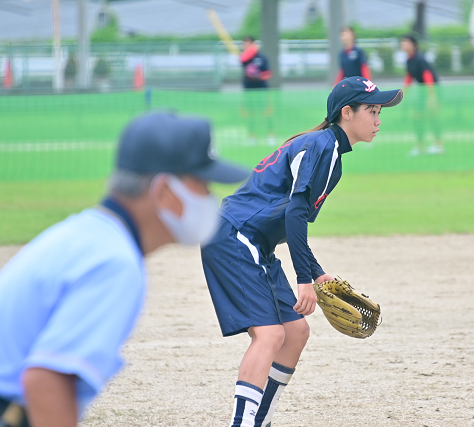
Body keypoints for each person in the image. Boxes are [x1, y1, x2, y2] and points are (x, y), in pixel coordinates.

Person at [0, 112, 248, 427]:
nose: (210, 197)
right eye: (201, 184)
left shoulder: (89, 233)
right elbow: (46, 380)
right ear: (164, 193)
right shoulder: (115, 263)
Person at [200, 76, 402, 427]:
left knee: (295, 332)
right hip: (235, 236)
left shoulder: (328, 150)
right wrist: (304, 279)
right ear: (347, 113)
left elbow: (290, 218)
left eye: (379, 111)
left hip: (254, 242)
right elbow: (294, 213)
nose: (378, 119)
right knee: (271, 334)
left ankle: (260, 421)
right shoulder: (323, 147)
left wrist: (318, 272)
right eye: (371, 110)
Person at [400, 35, 444, 156]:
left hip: (431, 91)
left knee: (433, 117)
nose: (403, 44)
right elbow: (409, 78)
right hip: (421, 92)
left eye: (406, 42)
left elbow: (428, 76)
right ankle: (420, 147)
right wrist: (403, 94)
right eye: (402, 42)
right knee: (416, 117)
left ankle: (439, 146)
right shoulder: (409, 60)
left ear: (414, 45)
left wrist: (432, 97)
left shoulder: (420, 59)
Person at [240, 36, 276, 146]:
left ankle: (271, 135)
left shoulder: (262, 57)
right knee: (250, 114)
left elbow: (268, 73)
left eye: (247, 43)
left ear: (252, 43)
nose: (244, 46)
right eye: (243, 43)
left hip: (261, 90)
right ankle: (252, 136)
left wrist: (258, 76)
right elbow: (242, 62)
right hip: (249, 90)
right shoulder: (245, 58)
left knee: (266, 113)